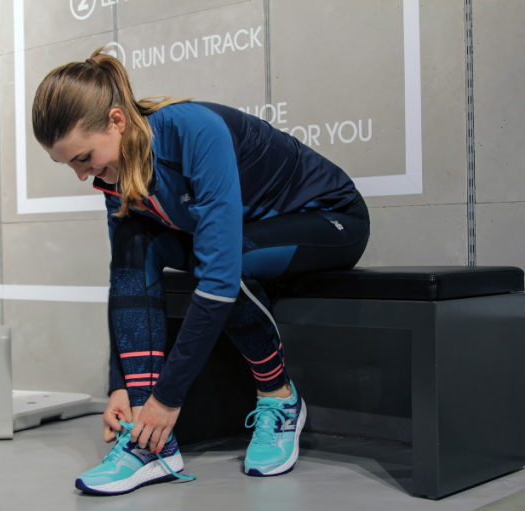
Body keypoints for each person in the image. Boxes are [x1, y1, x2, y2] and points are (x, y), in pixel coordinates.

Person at [32, 48, 370, 495]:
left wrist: (169, 398)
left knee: (223, 263)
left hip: (330, 218)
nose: (82, 174)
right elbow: (125, 276)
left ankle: (280, 397)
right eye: (69, 164)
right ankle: (150, 444)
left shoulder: (194, 131)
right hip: (254, 231)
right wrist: (121, 387)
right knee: (135, 247)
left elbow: (218, 280)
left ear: (116, 121)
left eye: (83, 157)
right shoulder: (113, 172)